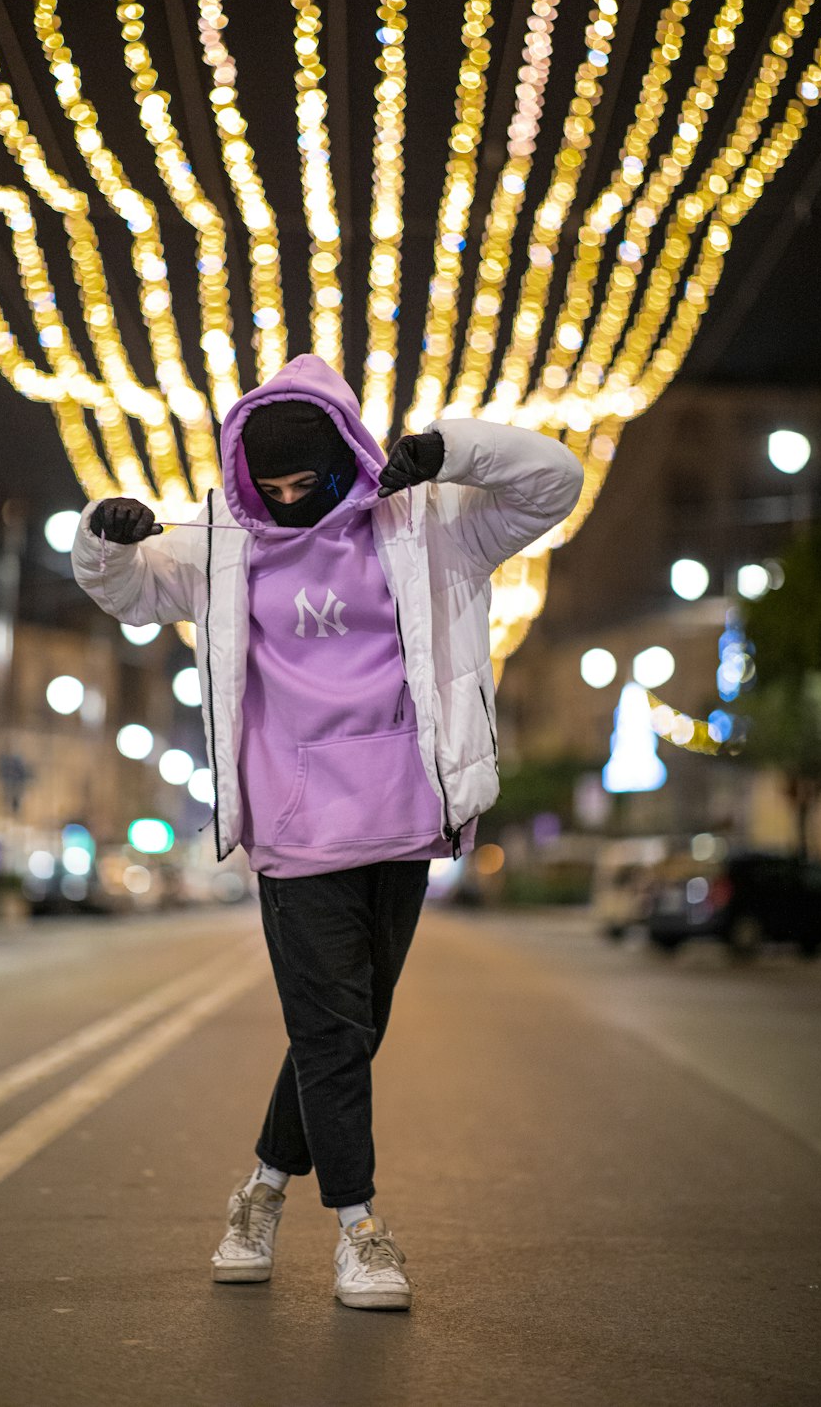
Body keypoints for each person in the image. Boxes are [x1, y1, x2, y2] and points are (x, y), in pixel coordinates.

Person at [71, 352, 582, 1311]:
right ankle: (361, 1232)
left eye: (314, 482)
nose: (295, 500)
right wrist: (105, 534)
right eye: (275, 486)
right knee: (332, 1031)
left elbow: (557, 480)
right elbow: (127, 591)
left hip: (403, 819)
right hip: (295, 826)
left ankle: (260, 1191)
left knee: (350, 1028)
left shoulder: (429, 524)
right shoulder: (223, 541)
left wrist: (452, 451)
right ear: (243, 475)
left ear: (354, 454)